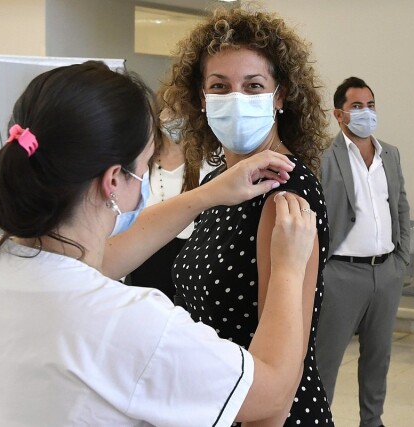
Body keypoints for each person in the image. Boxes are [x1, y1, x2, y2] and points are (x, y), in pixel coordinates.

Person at [0, 61, 317, 426]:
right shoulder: (127, 322)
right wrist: (287, 268)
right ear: (114, 180)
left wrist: (207, 194)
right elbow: (271, 392)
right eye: (146, 165)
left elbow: (90, 265)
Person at [161, 7, 334, 426]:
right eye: (220, 86)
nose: (236, 99)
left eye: (253, 85)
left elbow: (281, 363)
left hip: (264, 413)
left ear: (280, 96)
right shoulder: (220, 183)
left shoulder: (286, 191)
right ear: (202, 98)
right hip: (216, 405)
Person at [318, 76, 411, 427]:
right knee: (326, 358)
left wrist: (401, 260)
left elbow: (400, 206)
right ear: (338, 114)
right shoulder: (324, 157)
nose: (366, 112)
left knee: (378, 357)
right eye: (356, 106)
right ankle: (318, 419)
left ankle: (372, 421)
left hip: (385, 272)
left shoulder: (390, 153)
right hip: (340, 274)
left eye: (370, 105)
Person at [124, 100, 216, 301]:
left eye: (184, 111)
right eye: (171, 110)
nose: (177, 118)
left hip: (191, 257)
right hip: (145, 259)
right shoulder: (141, 160)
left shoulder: (210, 160)